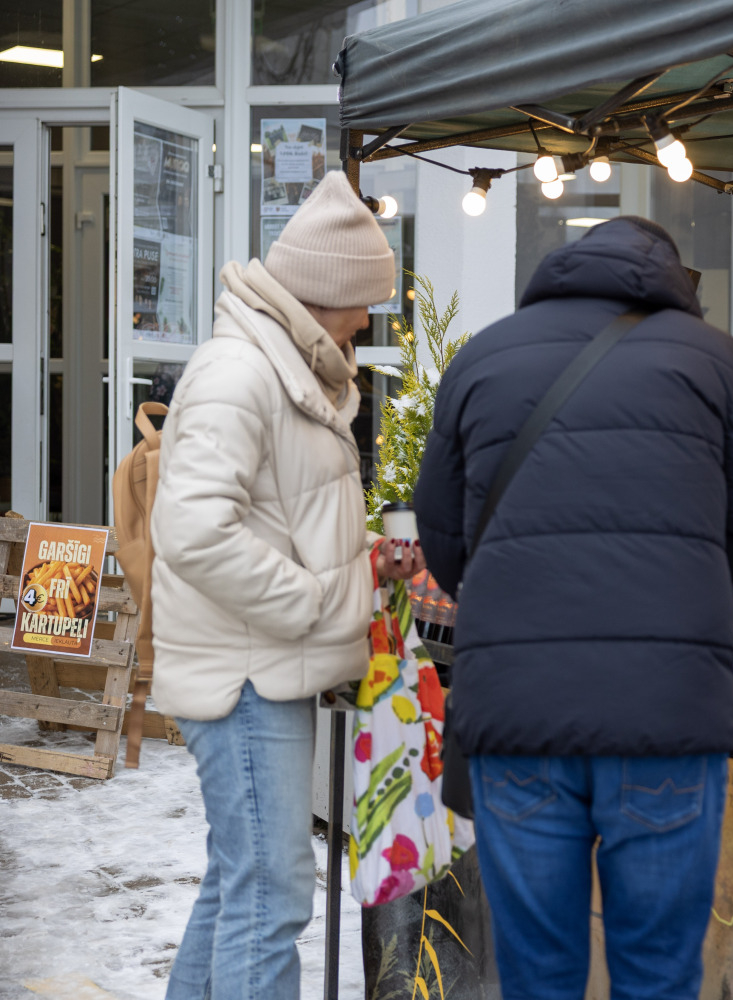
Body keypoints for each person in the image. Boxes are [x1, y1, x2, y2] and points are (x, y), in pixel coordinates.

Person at [414, 216, 733, 999]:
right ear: (671, 278)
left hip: (517, 716)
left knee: (537, 978)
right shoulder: (720, 364)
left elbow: (447, 545)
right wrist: (679, 587)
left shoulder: (482, 357)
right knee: (657, 975)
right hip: (664, 715)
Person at [151, 171, 419, 1000]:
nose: (369, 320)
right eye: (364, 300)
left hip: (258, 666)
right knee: (271, 895)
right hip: (245, 676)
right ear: (328, 290)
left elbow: (276, 514)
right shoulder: (242, 372)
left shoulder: (282, 366)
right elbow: (194, 528)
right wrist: (317, 603)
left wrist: (366, 556)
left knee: (240, 884)